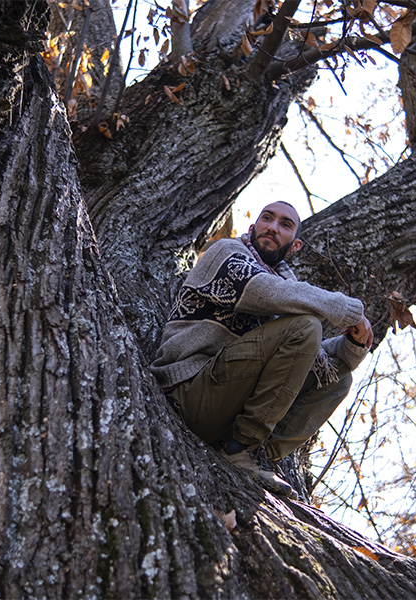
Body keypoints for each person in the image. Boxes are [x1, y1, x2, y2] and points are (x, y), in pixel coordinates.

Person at [150, 201, 373, 498]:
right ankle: (240, 446)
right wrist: (348, 309)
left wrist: (354, 345)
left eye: (285, 224)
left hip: (227, 401)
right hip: (190, 388)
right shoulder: (227, 252)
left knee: (338, 377)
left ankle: (257, 453)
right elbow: (262, 290)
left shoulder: (285, 293)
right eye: (267, 218)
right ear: (253, 227)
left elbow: (315, 355)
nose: (273, 227)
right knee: (306, 327)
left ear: (294, 245)